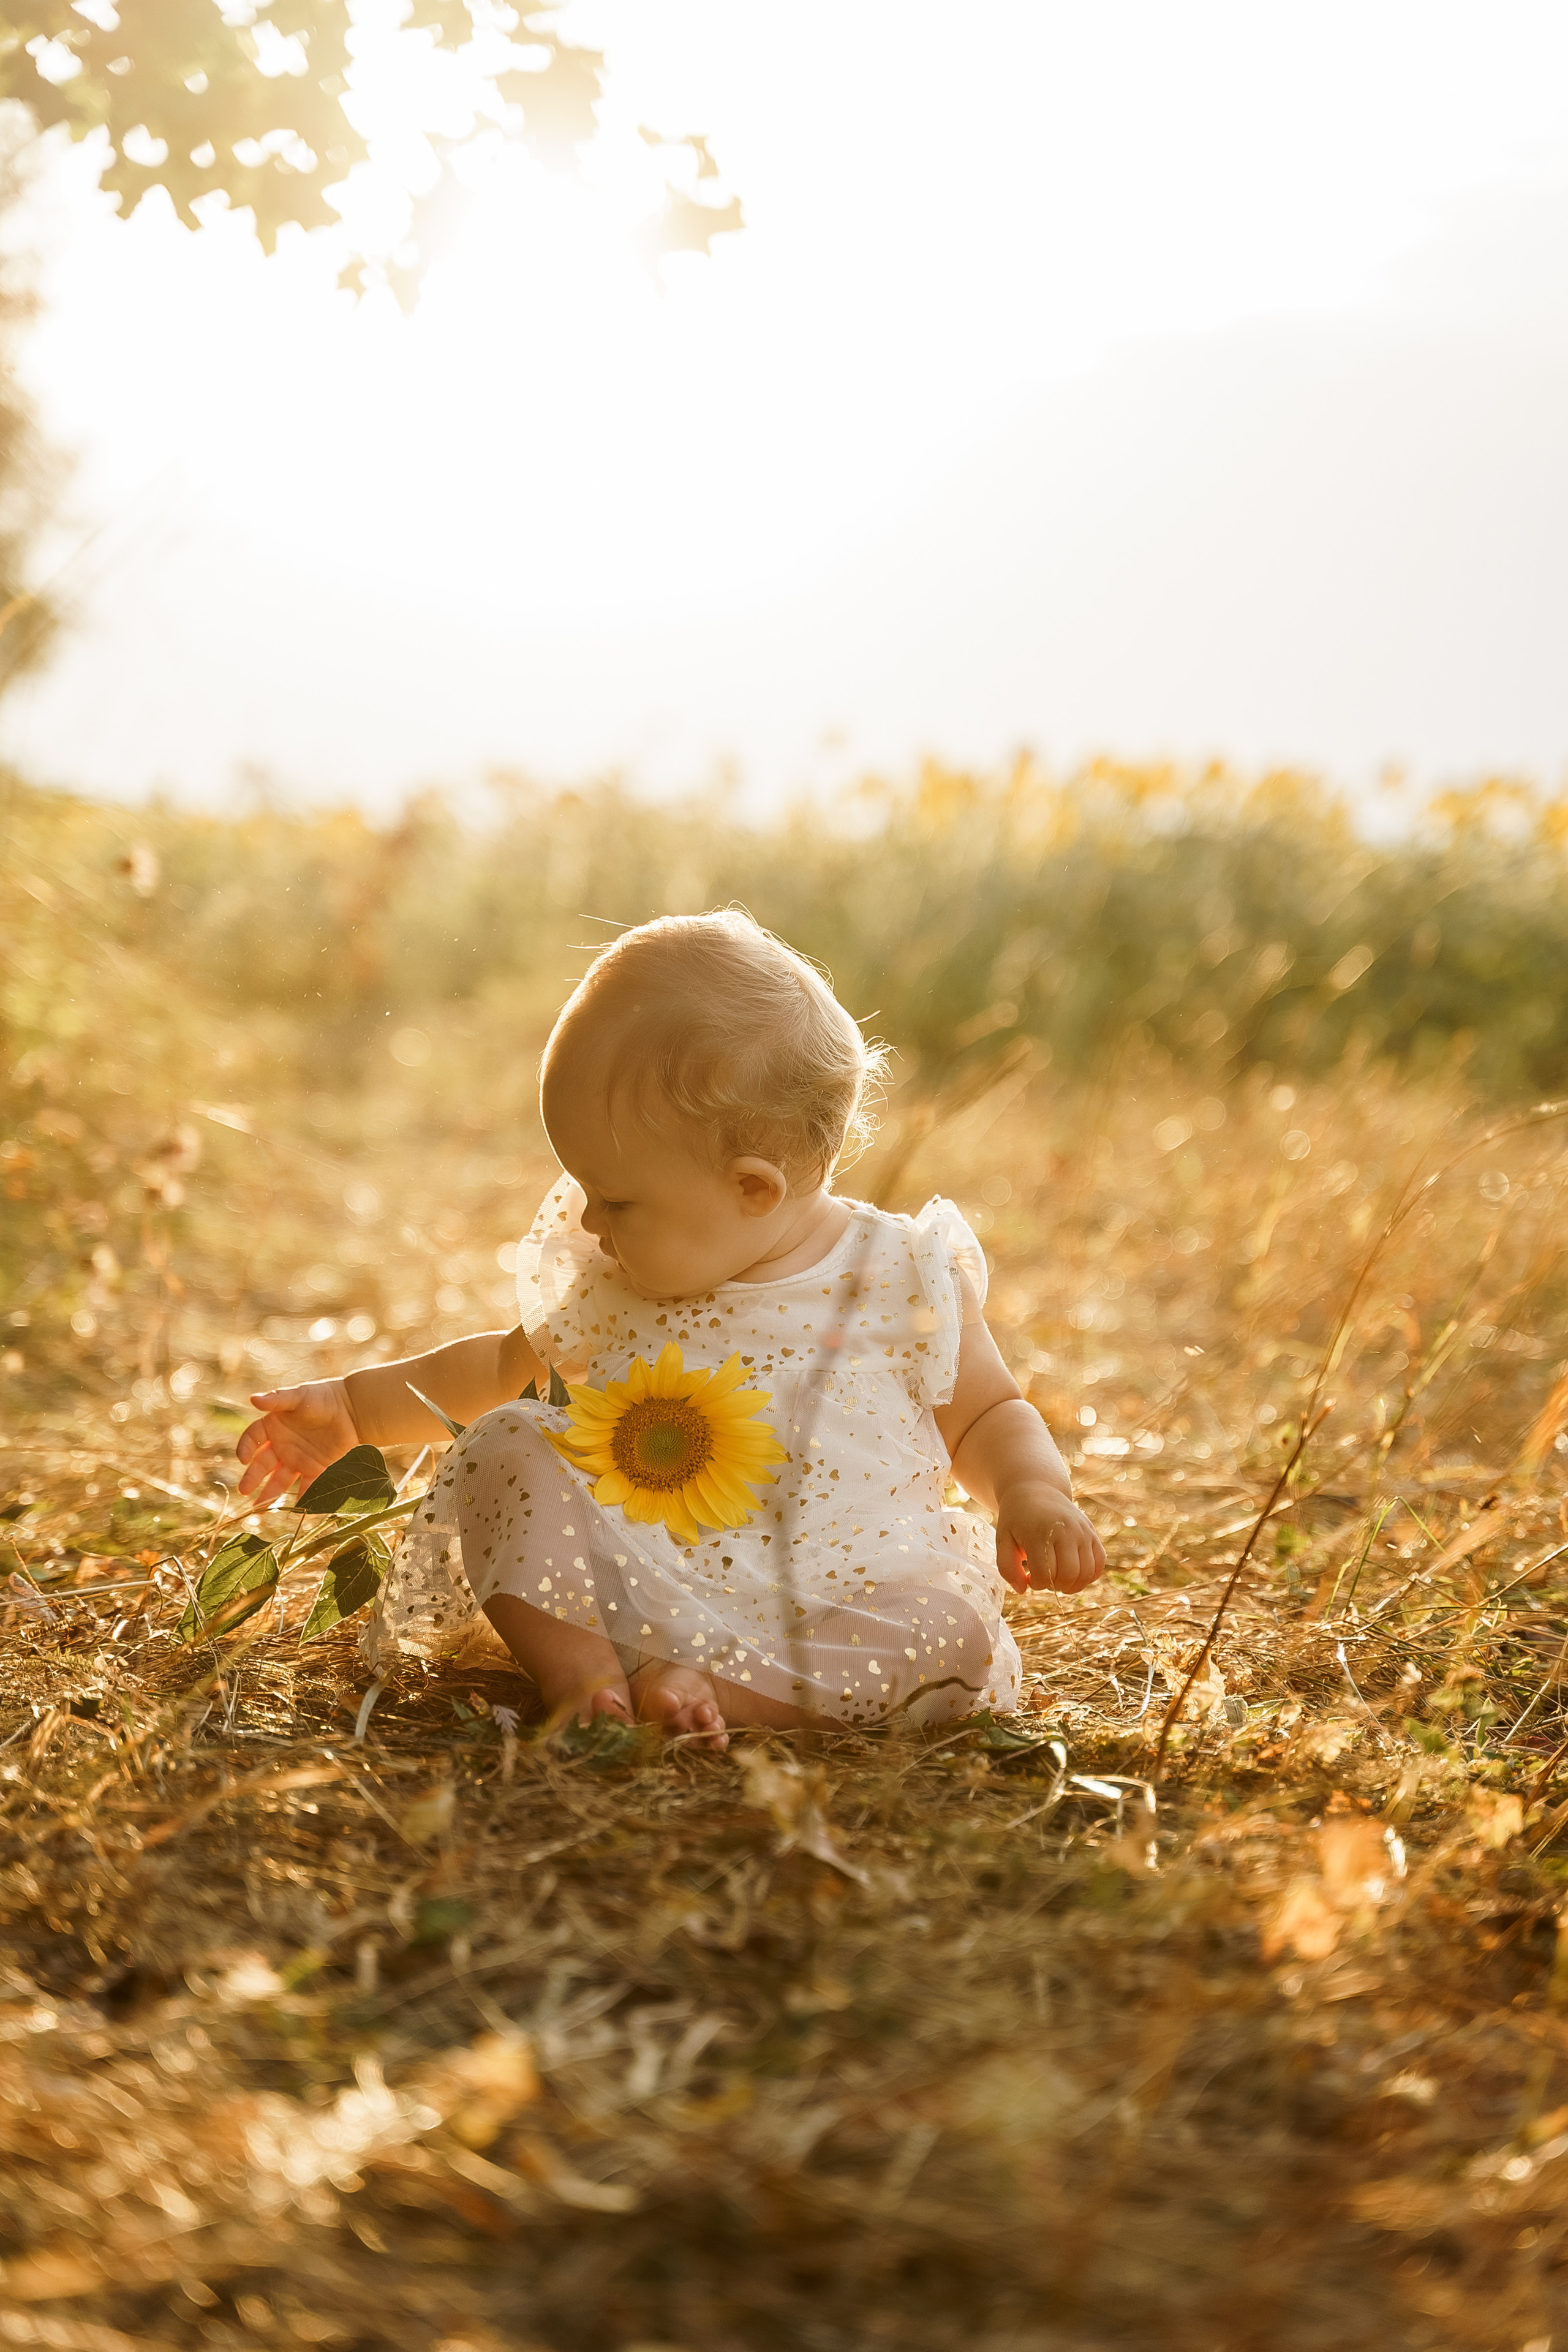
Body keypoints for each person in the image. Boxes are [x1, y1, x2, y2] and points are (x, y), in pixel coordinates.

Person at [236, 911, 1105, 1749]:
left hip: (839, 1596)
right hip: (635, 1589)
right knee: (506, 1446)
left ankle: (723, 1696)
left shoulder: (903, 1273)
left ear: (752, 1189)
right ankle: (586, 1678)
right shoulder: (618, 1280)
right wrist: (354, 1410)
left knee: (947, 1631)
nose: (591, 1224)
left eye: (617, 1199)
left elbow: (989, 1414)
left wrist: (1033, 1494)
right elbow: (497, 1369)